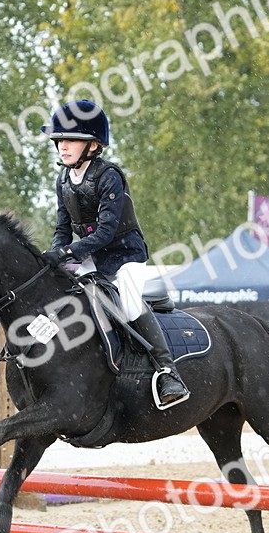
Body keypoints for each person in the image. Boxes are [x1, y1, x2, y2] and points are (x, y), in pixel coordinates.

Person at [39, 99, 190, 409]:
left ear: (93, 145)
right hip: (90, 257)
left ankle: (167, 371)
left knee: (131, 304)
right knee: (58, 294)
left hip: (125, 257)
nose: (62, 146)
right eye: (59, 140)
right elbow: (62, 227)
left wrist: (68, 252)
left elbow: (106, 232)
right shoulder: (63, 179)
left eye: (70, 140)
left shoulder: (110, 176)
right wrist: (55, 254)